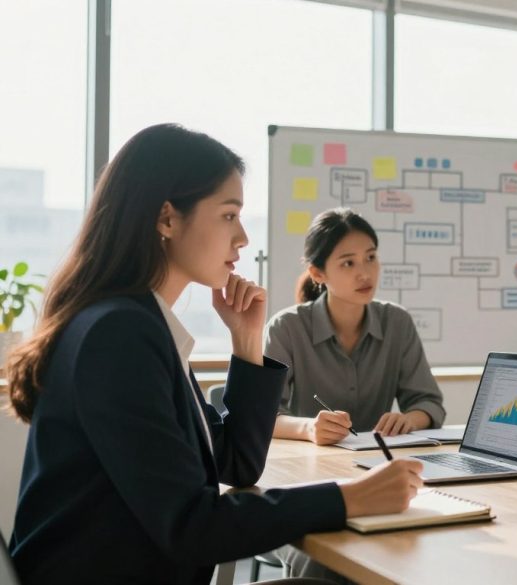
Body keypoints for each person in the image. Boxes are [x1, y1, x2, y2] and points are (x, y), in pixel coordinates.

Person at [3, 123, 423, 584]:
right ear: (167, 219)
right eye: (229, 215)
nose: (242, 237)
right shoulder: (118, 334)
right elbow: (193, 525)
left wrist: (246, 342)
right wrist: (349, 498)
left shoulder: (142, 324)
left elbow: (235, 463)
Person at [264, 208, 446, 446]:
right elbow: (263, 415)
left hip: (380, 460)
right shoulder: (286, 327)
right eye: (348, 263)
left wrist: (409, 420)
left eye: (370, 258)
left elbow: (429, 403)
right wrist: (309, 428)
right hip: (311, 462)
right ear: (318, 273)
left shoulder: (397, 321)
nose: (365, 274)